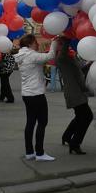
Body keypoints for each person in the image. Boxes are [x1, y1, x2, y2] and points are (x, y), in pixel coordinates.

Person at [14, 34, 57, 162]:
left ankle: (29, 152)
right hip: (36, 94)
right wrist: (54, 42)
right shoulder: (31, 55)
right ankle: (40, 153)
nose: (37, 44)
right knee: (42, 122)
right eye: (35, 42)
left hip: (27, 94)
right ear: (30, 44)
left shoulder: (22, 55)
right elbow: (50, 56)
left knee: (30, 122)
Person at [55, 37, 92, 155]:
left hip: (79, 91)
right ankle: (75, 143)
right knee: (87, 116)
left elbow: (79, 70)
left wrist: (90, 64)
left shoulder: (70, 57)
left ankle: (67, 136)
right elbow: (64, 51)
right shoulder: (61, 58)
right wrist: (67, 39)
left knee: (80, 116)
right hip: (74, 92)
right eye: (61, 44)